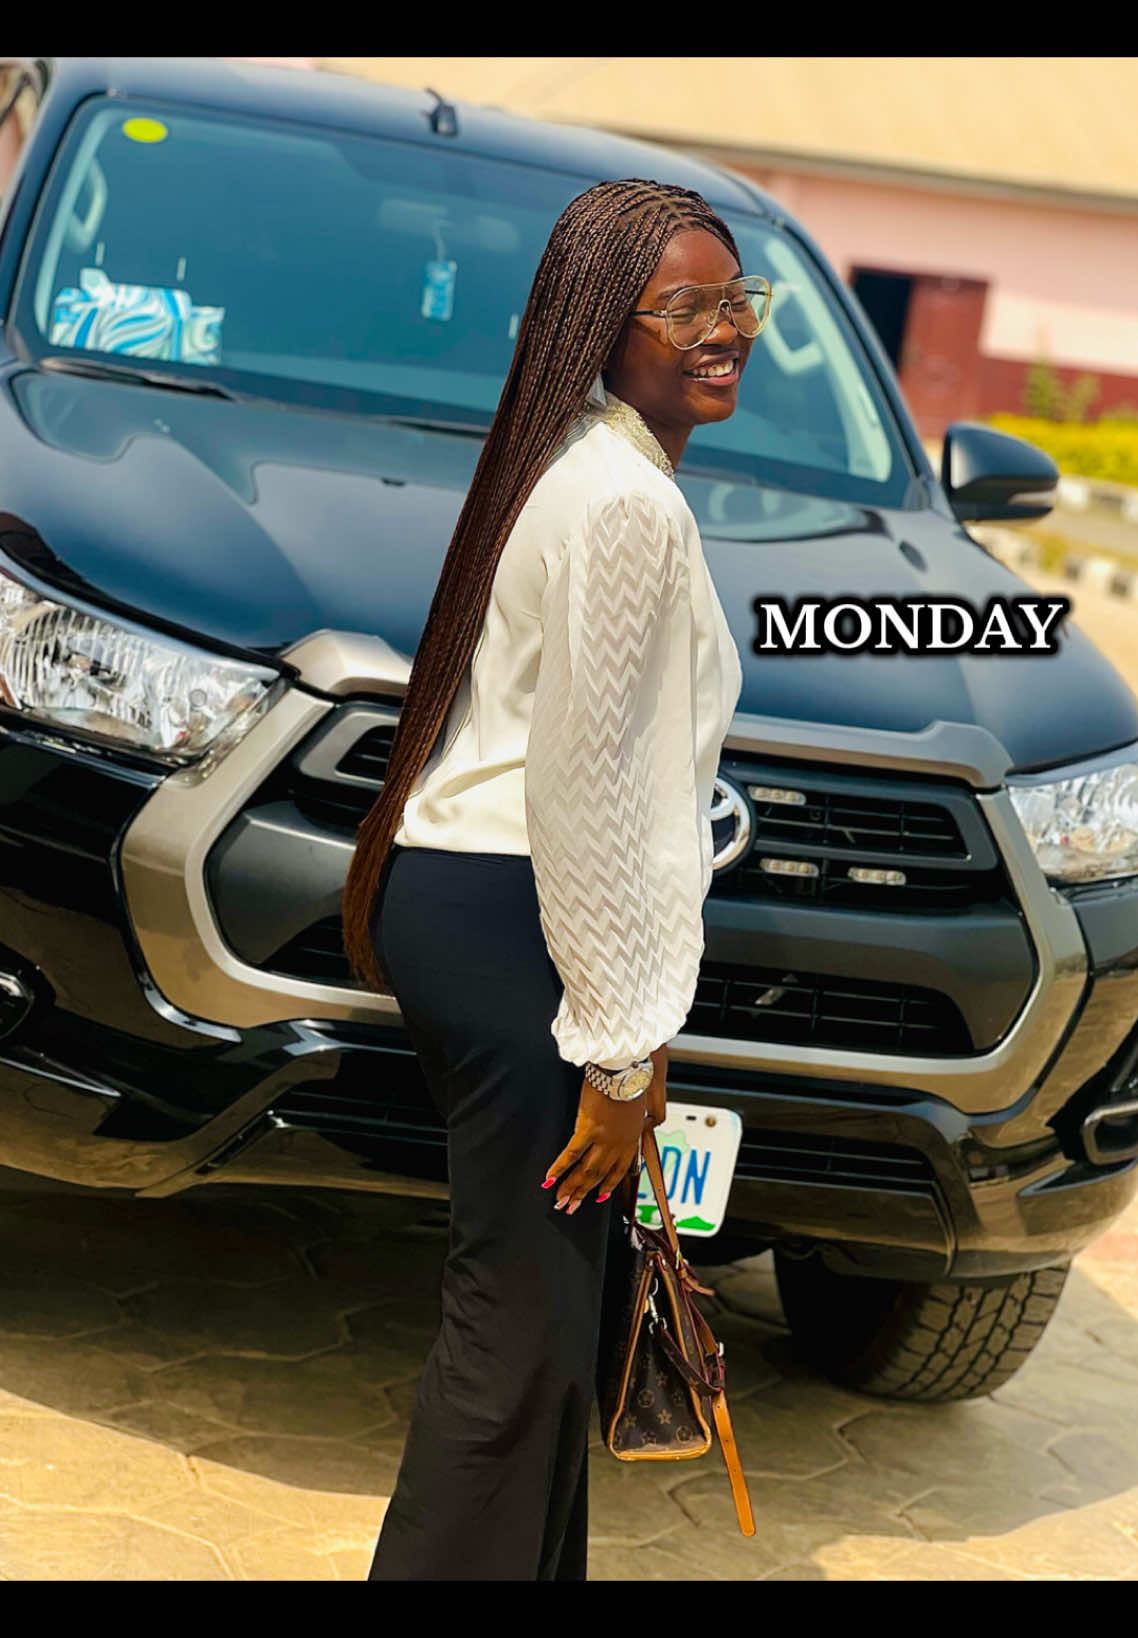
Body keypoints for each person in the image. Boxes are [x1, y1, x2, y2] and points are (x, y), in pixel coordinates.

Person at [341, 177, 769, 1581]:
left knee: (547, 1325)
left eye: (735, 299)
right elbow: (590, 796)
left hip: (476, 908)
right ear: (602, 321)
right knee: (514, 1339)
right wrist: (620, 1042)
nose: (723, 329)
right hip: (518, 921)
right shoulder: (622, 503)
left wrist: (619, 1023)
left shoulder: (576, 460)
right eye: (683, 305)